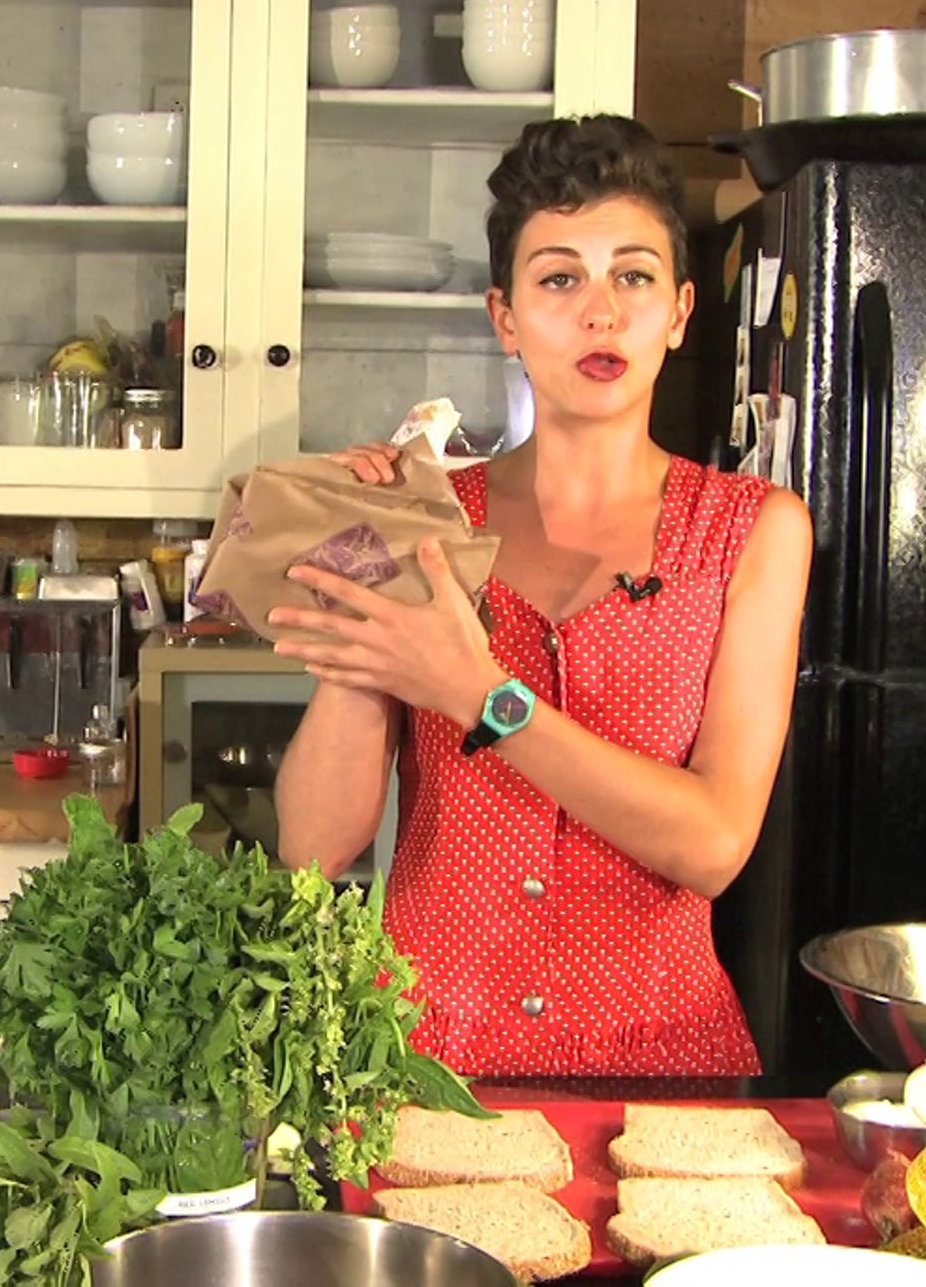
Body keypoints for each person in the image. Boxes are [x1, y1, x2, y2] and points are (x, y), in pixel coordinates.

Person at [269, 115, 812, 1078]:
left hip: (660, 1067)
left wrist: (483, 696)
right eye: (559, 279)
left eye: (633, 277)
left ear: (680, 311)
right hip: (425, 1059)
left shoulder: (752, 530)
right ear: (505, 317)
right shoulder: (433, 519)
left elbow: (715, 843)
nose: (600, 313)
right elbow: (313, 848)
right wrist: (368, 573)